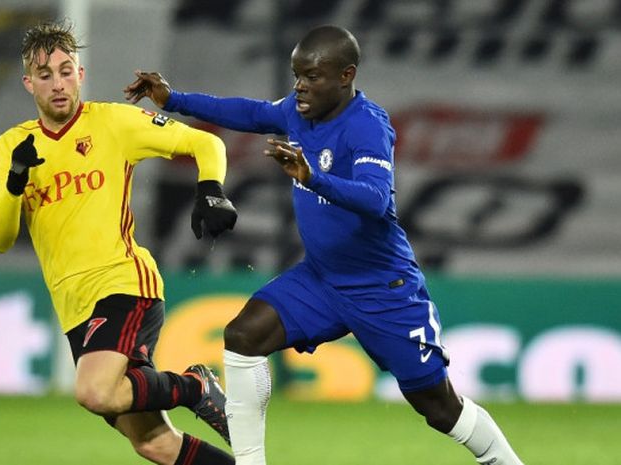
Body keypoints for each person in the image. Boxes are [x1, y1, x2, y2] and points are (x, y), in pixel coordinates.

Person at [125, 25, 525, 465]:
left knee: (439, 408)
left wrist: (312, 177)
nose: (300, 85)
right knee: (243, 335)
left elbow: (375, 200)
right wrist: (174, 99)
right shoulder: (299, 111)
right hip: (322, 279)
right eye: (297, 74)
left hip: (381, 288)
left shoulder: (367, 126)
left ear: (345, 76)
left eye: (312, 76)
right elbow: (251, 113)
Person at [0, 21, 238, 465]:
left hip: (123, 285)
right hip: (74, 307)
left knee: (94, 391)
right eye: (45, 75)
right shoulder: (12, 145)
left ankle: (196, 387)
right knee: (154, 443)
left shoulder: (114, 123)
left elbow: (203, 143)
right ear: (29, 83)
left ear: (81, 74)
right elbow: (0, 238)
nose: (58, 84)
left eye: (66, 71)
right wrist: (15, 181)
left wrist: (211, 189)